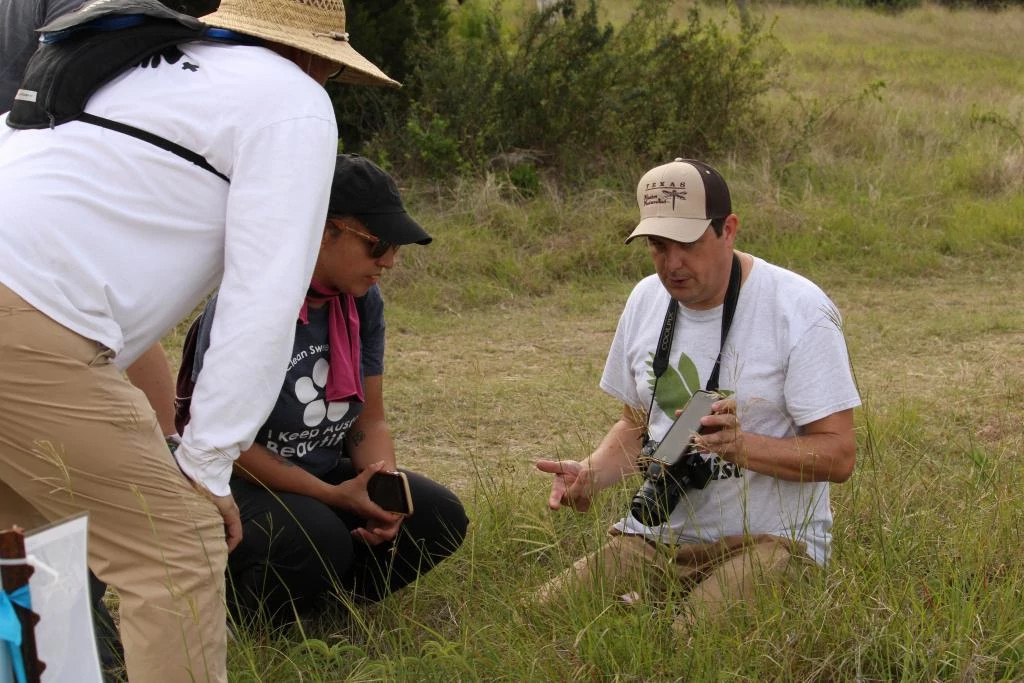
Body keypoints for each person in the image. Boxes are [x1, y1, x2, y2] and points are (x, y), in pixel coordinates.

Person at [0, 0, 397, 681]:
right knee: (176, 543)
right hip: (28, 317)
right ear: (323, 60)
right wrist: (206, 464)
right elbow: (265, 292)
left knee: (31, 540)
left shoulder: (127, 61)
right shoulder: (293, 98)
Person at [535, 158, 860, 627]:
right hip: (654, 540)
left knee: (688, 641)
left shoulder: (799, 308)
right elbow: (636, 424)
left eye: (687, 243)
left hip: (770, 543)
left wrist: (742, 447)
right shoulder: (646, 299)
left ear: (728, 229)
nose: (673, 264)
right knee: (543, 616)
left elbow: (840, 455)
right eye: (657, 246)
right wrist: (590, 473)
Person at [176, 154, 468, 624]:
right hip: (234, 480)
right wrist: (335, 497)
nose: (389, 262)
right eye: (379, 244)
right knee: (318, 536)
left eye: (396, 248)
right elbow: (229, 444)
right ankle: (243, 616)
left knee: (437, 516)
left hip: (321, 472)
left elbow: (369, 420)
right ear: (324, 229)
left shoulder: (362, 301)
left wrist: (381, 492)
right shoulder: (253, 300)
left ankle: (325, 610)